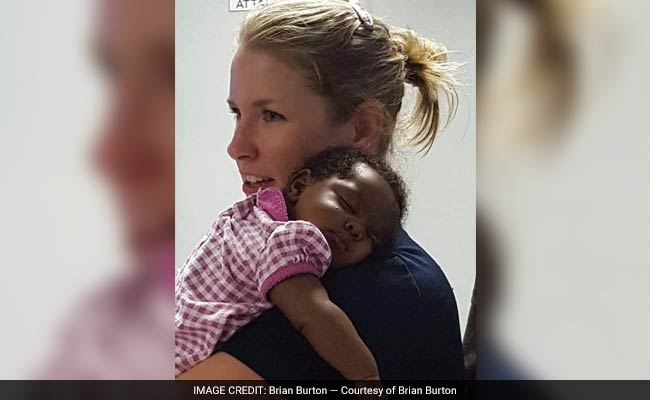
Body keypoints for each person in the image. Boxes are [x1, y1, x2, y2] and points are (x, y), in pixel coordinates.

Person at [178, 0, 464, 380]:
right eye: (237, 113)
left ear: (361, 129)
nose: (237, 147)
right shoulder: (283, 252)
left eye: (271, 115)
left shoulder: (378, 295)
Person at [176, 146, 407, 383]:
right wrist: (366, 375)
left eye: (371, 237)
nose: (356, 229)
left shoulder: (248, 215)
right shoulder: (292, 237)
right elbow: (314, 316)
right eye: (347, 204)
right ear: (299, 186)